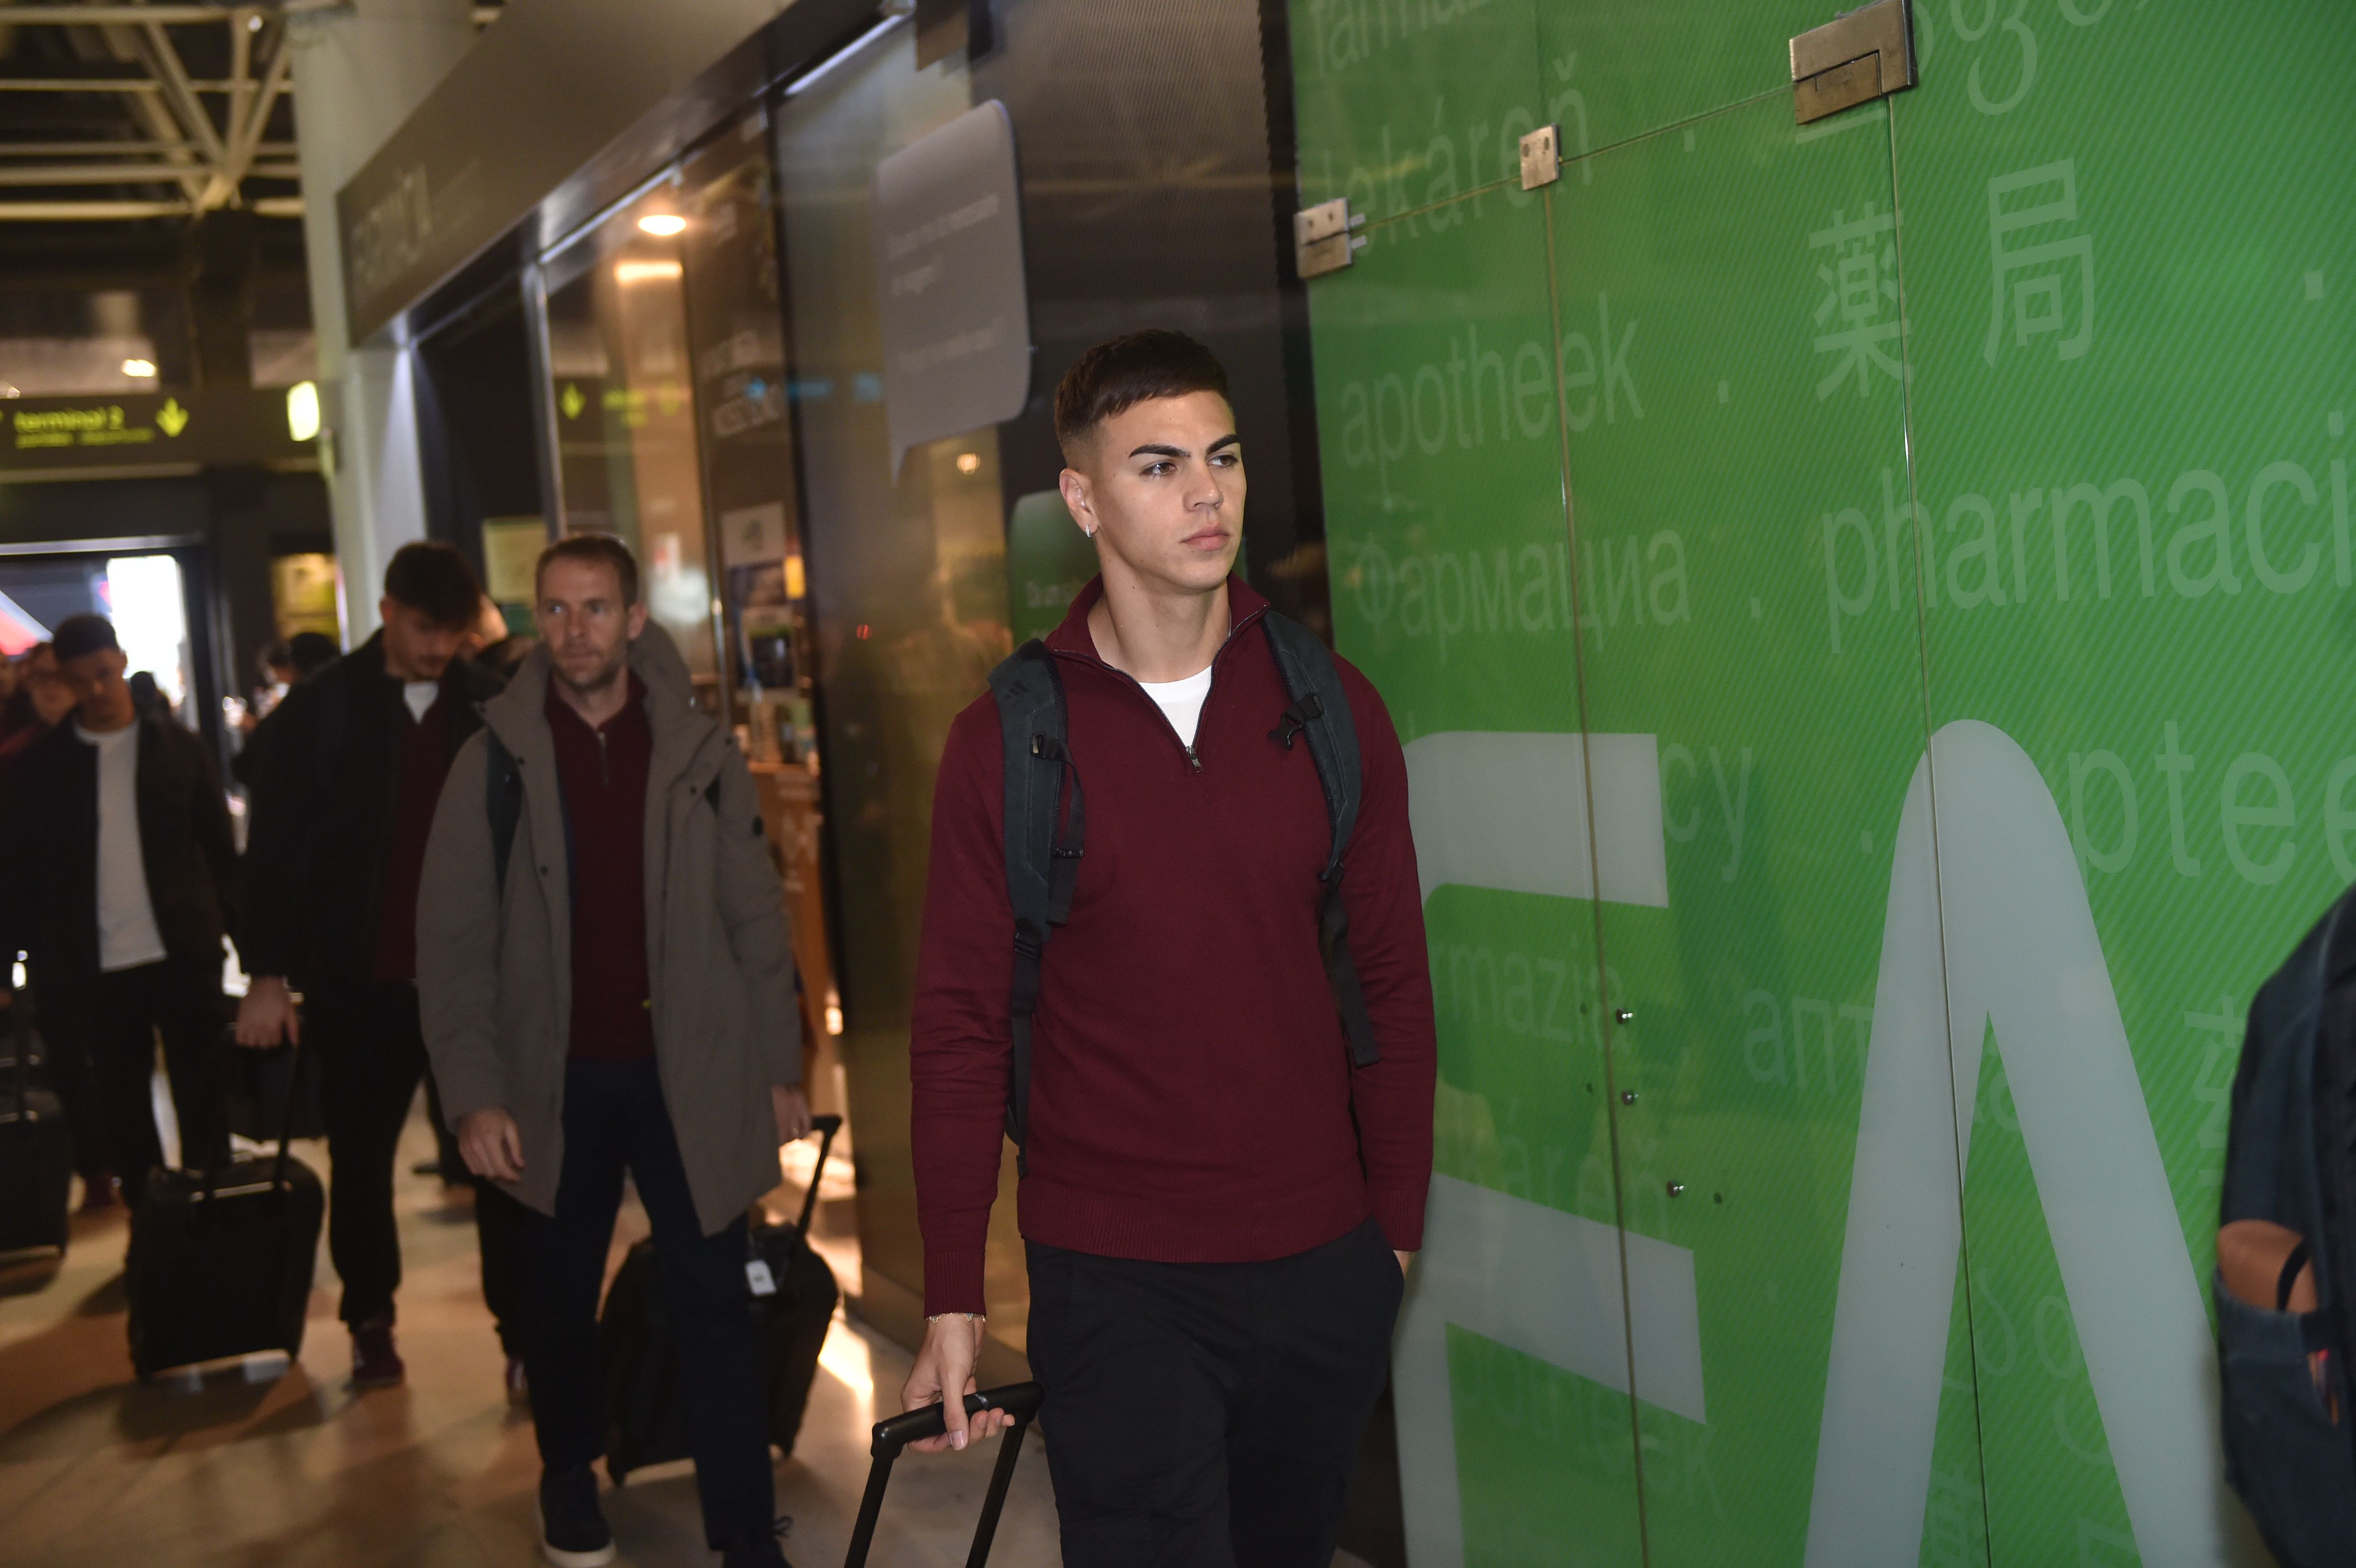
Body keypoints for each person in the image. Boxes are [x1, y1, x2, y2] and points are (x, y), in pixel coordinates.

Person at [903, 331, 1438, 1566]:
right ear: (1083, 497)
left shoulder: (1329, 705)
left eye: (1225, 456)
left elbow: (1395, 987)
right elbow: (960, 1026)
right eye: (1159, 465)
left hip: (1322, 1265)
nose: (1208, 493)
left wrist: (1391, 1241)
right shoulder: (1009, 742)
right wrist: (950, 1288)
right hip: (1116, 1278)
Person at [418, 534, 809, 1568]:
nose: (573, 629)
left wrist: (782, 1068)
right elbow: (450, 946)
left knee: (716, 1301)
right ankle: (567, 1478)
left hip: (687, 1077)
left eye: (595, 608)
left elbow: (754, 918)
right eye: (554, 609)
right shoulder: (491, 758)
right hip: (551, 1085)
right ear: (535, 618)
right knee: (556, 1302)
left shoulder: (698, 750)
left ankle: (743, 1529)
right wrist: (474, 1093)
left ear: (636, 619)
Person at [236, 541, 513, 1392]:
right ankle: (370, 1319)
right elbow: (275, 848)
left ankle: (523, 1334)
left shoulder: (491, 704)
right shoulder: (325, 711)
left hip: (479, 985)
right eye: (425, 629)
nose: (438, 648)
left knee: (503, 1165)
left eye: (453, 632)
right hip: (364, 978)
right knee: (361, 1159)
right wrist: (268, 972)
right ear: (387, 612)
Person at [0, 614, 237, 1209]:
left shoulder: (177, 746)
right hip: (95, 966)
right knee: (126, 1112)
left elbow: (220, 853)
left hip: (184, 951)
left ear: (123, 661)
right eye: (81, 681)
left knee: (205, 1101)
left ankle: (216, 1235)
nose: (96, 692)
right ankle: (154, 1238)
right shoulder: (40, 767)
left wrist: (260, 961)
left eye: (104, 675)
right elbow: (20, 875)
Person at [0, 641, 119, 1209]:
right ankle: (95, 1166)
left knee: (113, 1053)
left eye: (60, 679)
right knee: (69, 1055)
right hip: (51, 935)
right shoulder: (18, 758)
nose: (52, 689)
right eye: (40, 680)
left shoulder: (111, 744)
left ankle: (120, 1160)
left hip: (113, 928)